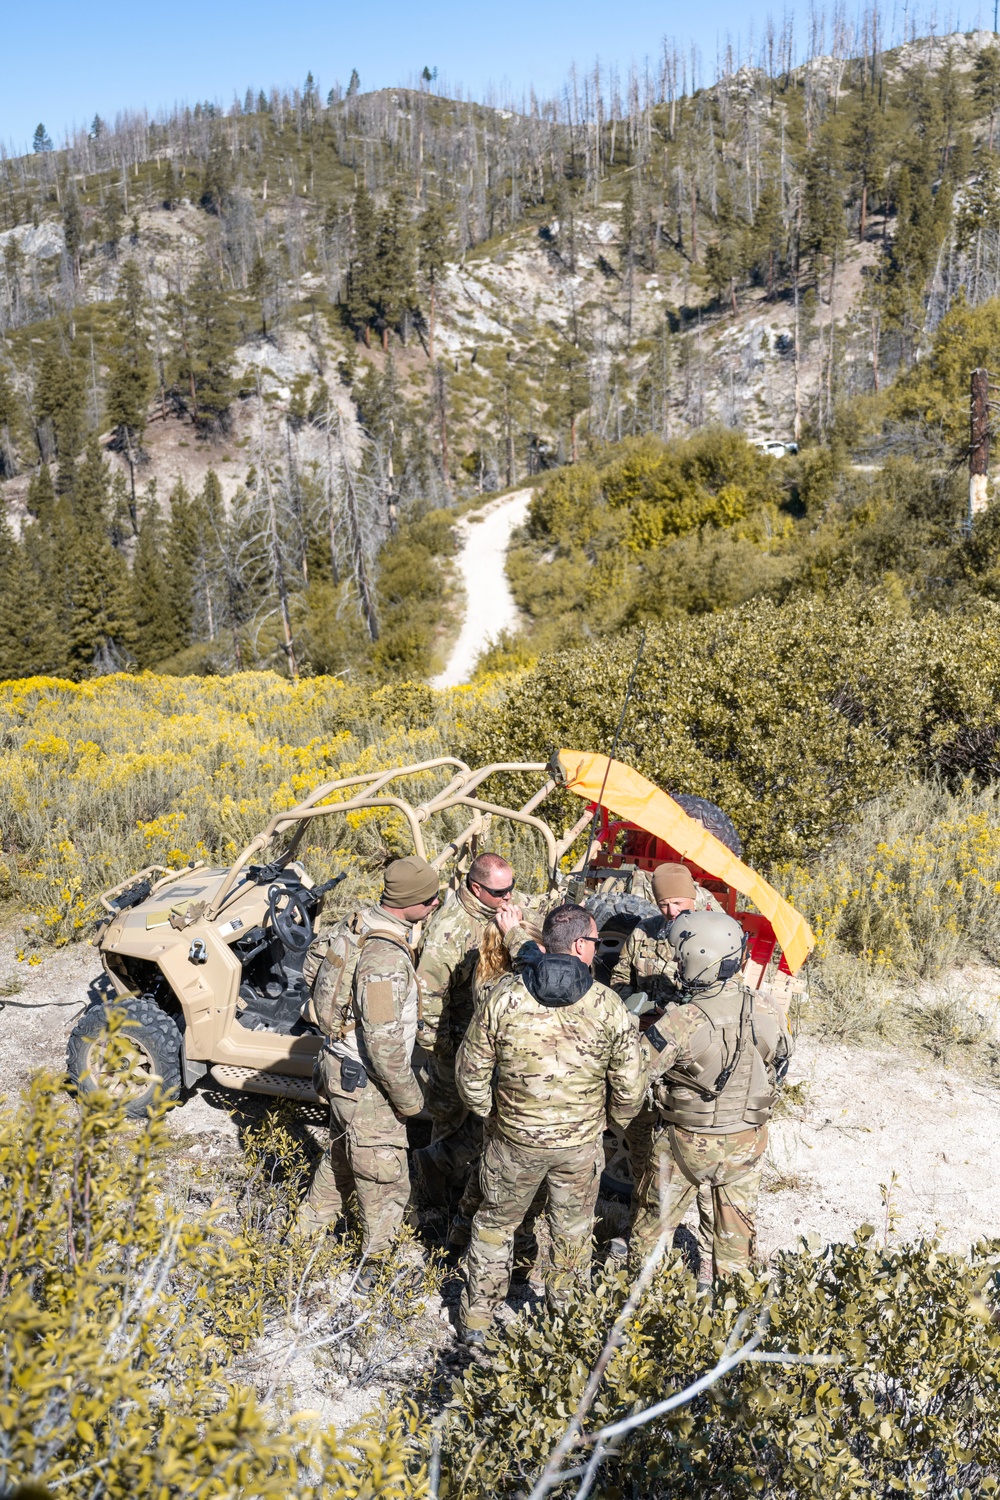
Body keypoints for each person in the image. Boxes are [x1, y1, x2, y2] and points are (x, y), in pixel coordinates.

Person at [455, 903, 645, 1346]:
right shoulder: (607, 1005)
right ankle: (567, 1326)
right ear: (580, 946)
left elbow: (470, 1074)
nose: (596, 950)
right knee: (573, 1234)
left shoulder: (505, 995)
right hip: (578, 1145)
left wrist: (494, 1114)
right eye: (595, 943)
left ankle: (476, 1325)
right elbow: (631, 1086)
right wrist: (607, 1124)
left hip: (513, 1140)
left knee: (494, 1228)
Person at [629, 910, 792, 1284]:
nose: (675, 963)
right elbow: (779, 1063)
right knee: (737, 1243)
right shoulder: (767, 1006)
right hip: (746, 1142)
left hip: (684, 1142)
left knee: (651, 1235)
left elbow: (633, 1077)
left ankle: (641, 1309)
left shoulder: (681, 1020)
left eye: (680, 957)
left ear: (698, 960)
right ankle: (729, 1316)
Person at [296, 855, 440, 1255]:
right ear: (409, 902)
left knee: (343, 1154)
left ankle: (303, 1237)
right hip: (367, 1082)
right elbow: (383, 1044)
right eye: (430, 899)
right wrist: (409, 1100)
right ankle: (376, 1269)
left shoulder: (356, 921)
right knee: (384, 1179)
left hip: (338, 1066)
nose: (435, 905)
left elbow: (312, 969)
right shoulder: (385, 960)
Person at [610, 862, 723, 1277]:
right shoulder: (644, 933)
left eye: (678, 902)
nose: (672, 911)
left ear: (693, 896)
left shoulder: (717, 934)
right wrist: (641, 1007)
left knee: (699, 1160)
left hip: (694, 1062)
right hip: (650, 1051)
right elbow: (621, 980)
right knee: (643, 1148)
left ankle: (710, 1253)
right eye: (664, 903)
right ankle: (639, 1229)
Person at [414, 852, 526, 1212]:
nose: (509, 897)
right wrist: (443, 1050)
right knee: (449, 1119)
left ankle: (465, 1188)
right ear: (477, 888)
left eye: (511, 889)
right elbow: (428, 998)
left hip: (487, 1040)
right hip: (457, 1043)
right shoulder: (450, 930)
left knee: (481, 1119)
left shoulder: (498, 910)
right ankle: (435, 1200)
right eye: (501, 892)